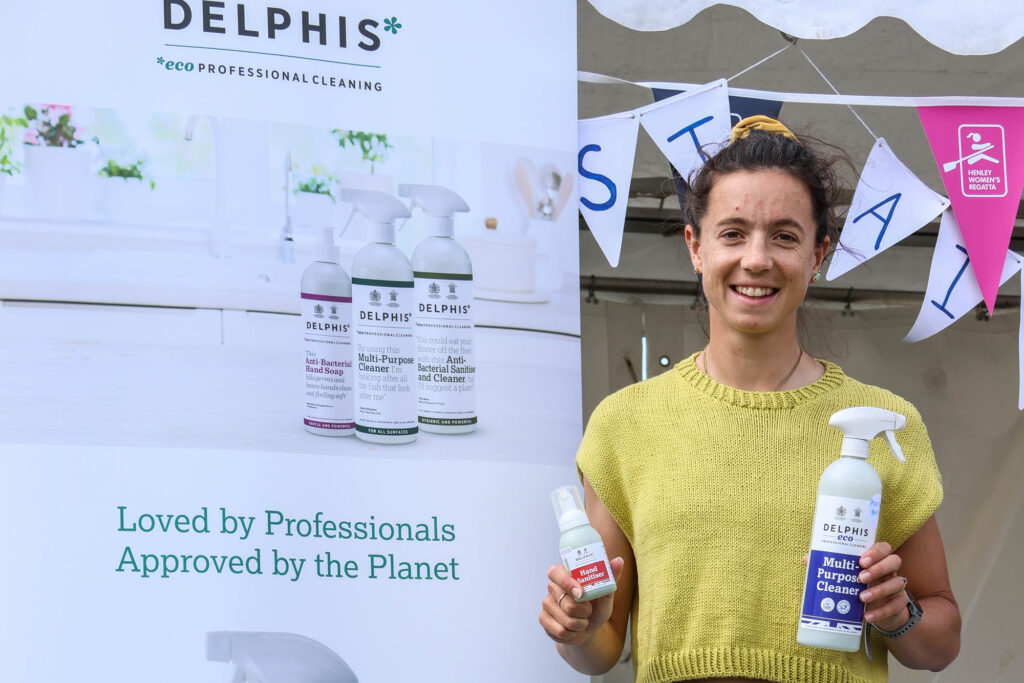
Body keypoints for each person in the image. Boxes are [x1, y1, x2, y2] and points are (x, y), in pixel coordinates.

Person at [539, 116, 961, 683]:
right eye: (732, 233)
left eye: (785, 236)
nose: (757, 259)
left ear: (817, 255)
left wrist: (898, 614)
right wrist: (581, 629)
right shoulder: (625, 424)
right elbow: (604, 646)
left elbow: (941, 642)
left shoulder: (882, 422)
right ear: (696, 247)